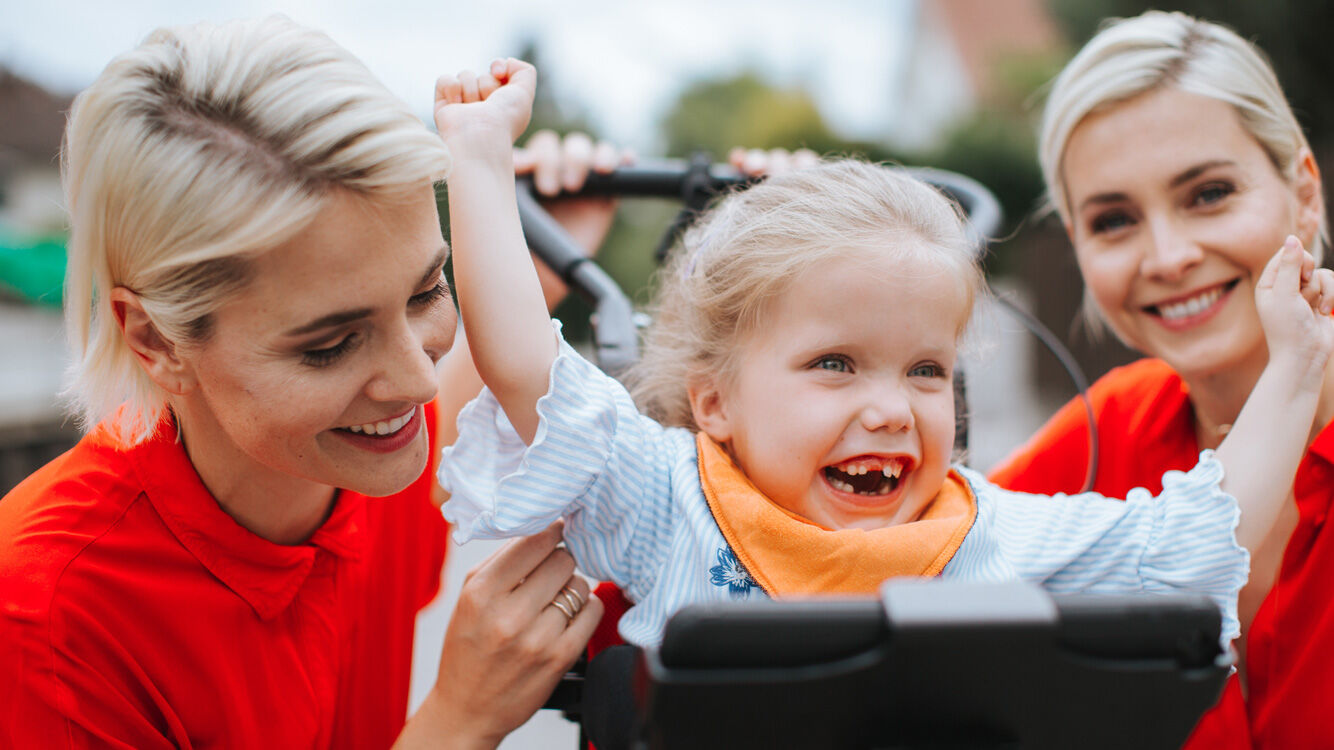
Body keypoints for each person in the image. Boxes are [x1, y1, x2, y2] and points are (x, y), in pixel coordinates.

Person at [430, 58, 1334, 650]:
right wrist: (477, 160)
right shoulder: (666, 499)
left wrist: (1295, 367)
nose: (891, 408)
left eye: (926, 370)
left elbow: (1195, 539)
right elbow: (528, 370)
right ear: (714, 404)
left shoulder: (991, 534)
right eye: (835, 364)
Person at [0, 17, 611, 749]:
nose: (418, 380)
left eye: (425, 291)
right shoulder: (45, 622)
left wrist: (532, 250)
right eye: (331, 345)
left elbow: (453, 392)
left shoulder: (349, 457)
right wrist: (460, 722)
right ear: (156, 339)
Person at [985, 10, 1332, 748]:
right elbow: (888, 561)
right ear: (1078, 244)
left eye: (1208, 194)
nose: (1168, 256)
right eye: (1114, 220)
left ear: (1303, 194)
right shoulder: (1104, 435)